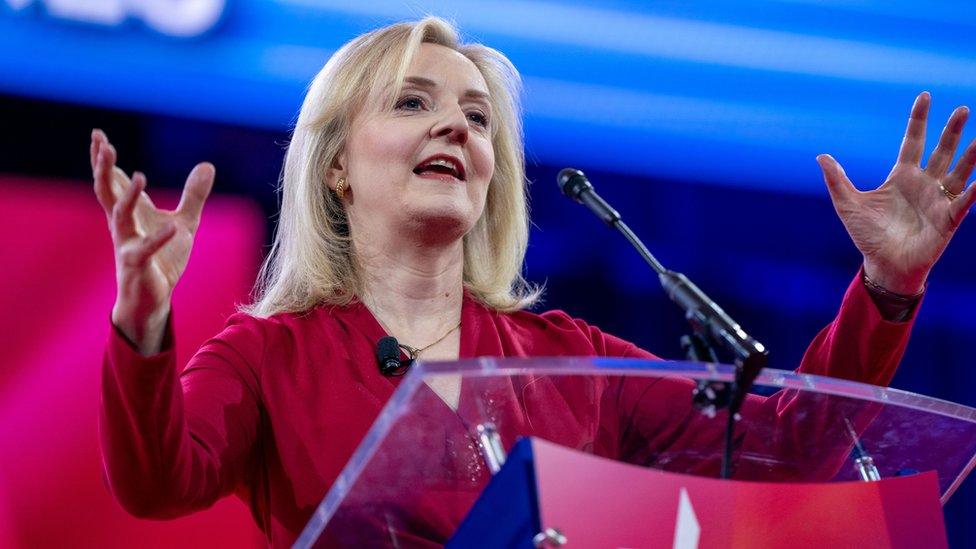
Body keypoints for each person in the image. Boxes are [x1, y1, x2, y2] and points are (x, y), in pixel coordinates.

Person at [94, 16, 975, 548]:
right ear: (335, 168)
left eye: (476, 117)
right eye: (413, 103)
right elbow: (158, 479)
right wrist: (141, 319)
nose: (456, 125)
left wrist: (885, 288)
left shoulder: (568, 361)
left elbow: (795, 449)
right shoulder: (267, 355)